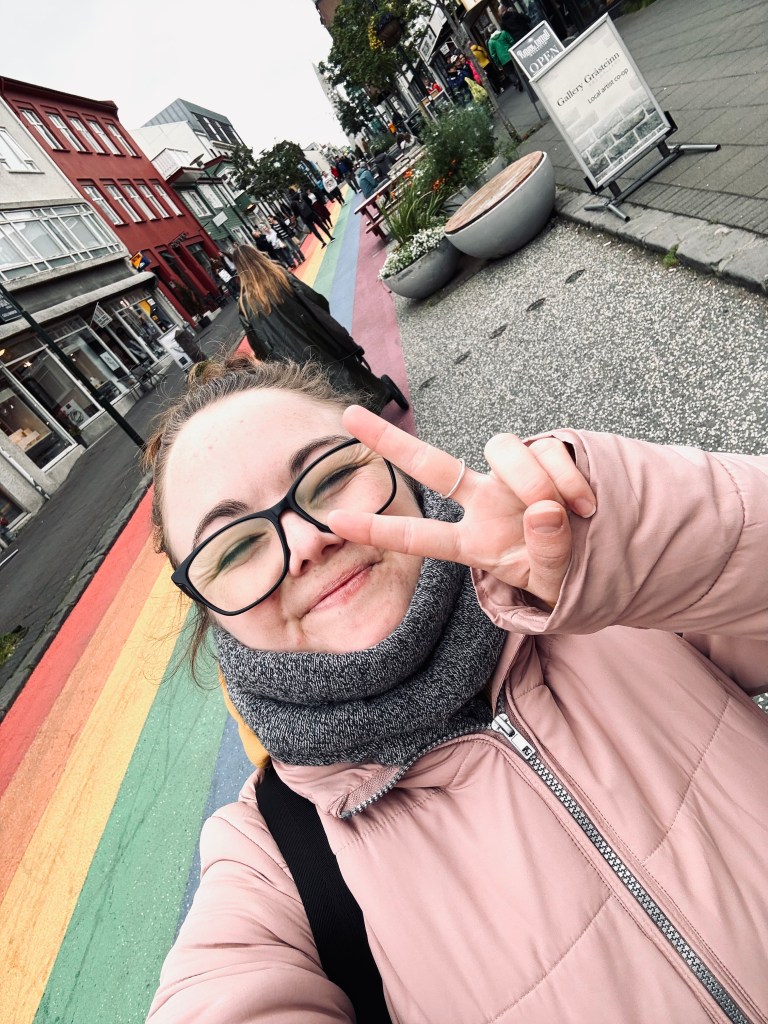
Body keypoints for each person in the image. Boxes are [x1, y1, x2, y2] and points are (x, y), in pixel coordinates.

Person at [145, 354, 768, 1024]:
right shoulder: (270, 856)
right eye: (234, 549)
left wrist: (631, 541)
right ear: (212, 618)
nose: (306, 542)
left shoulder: (606, 601)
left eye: (330, 478)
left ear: (399, 468)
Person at [232, 246, 403, 411]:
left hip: (288, 357)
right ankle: (380, 393)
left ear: (240, 271)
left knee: (321, 390)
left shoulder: (245, 306)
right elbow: (314, 299)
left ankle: (351, 414)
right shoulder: (280, 277)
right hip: (314, 337)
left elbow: (257, 344)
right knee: (345, 367)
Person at [488, 26, 525, 91]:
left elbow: (493, 55)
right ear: (496, 28)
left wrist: (498, 63)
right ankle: (522, 79)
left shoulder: (490, 42)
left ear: (490, 32)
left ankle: (516, 80)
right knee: (516, 68)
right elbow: (511, 40)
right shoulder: (503, 33)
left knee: (510, 72)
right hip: (511, 54)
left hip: (503, 60)